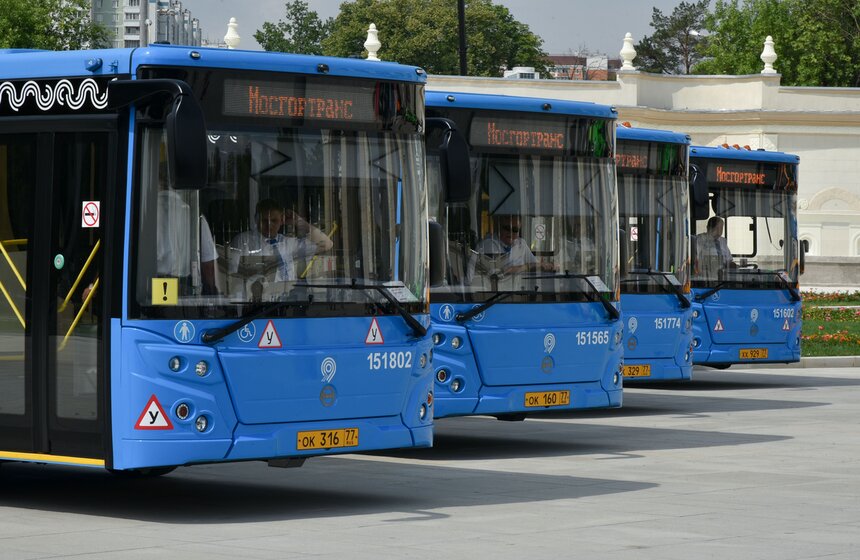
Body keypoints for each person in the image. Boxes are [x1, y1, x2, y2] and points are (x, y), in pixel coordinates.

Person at [228, 199, 333, 289]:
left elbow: (326, 245)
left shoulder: (288, 243)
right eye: (264, 221)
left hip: (288, 302)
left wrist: (299, 222)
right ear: (256, 220)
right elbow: (233, 276)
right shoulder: (243, 241)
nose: (269, 225)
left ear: (282, 220)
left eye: (274, 220)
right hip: (258, 303)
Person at [475, 214, 555, 274]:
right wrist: (528, 266)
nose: (510, 232)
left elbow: (535, 265)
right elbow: (502, 272)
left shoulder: (521, 244)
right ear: (499, 227)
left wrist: (549, 266)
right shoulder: (488, 244)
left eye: (515, 229)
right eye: (507, 228)